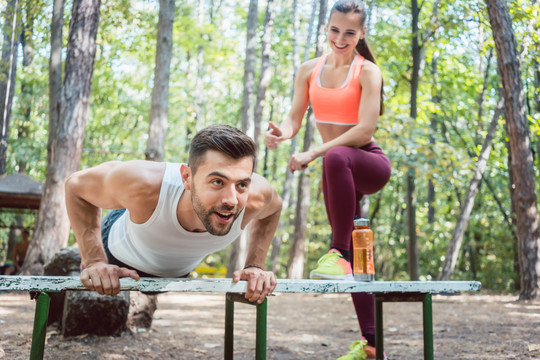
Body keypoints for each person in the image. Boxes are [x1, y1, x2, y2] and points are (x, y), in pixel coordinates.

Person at [265, 0, 391, 358]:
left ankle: (336, 253)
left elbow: (365, 128)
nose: (340, 38)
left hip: (368, 163)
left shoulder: (367, 72)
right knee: (358, 251)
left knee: (334, 156)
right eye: (335, 30)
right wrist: (282, 133)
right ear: (326, 28)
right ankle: (372, 346)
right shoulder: (309, 69)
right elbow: (294, 119)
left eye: (350, 32)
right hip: (338, 172)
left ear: (361, 33)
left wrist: (312, 153)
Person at [65, 124, 282, 304]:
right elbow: (75, 186)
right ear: (186, 177)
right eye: (218, 182)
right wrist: (94, 260)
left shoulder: (256, 197)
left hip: (176, 268)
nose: (231, 200)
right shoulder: (143, 183)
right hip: (120, 248)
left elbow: (274, 211)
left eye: (242, 184)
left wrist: (255, 265)